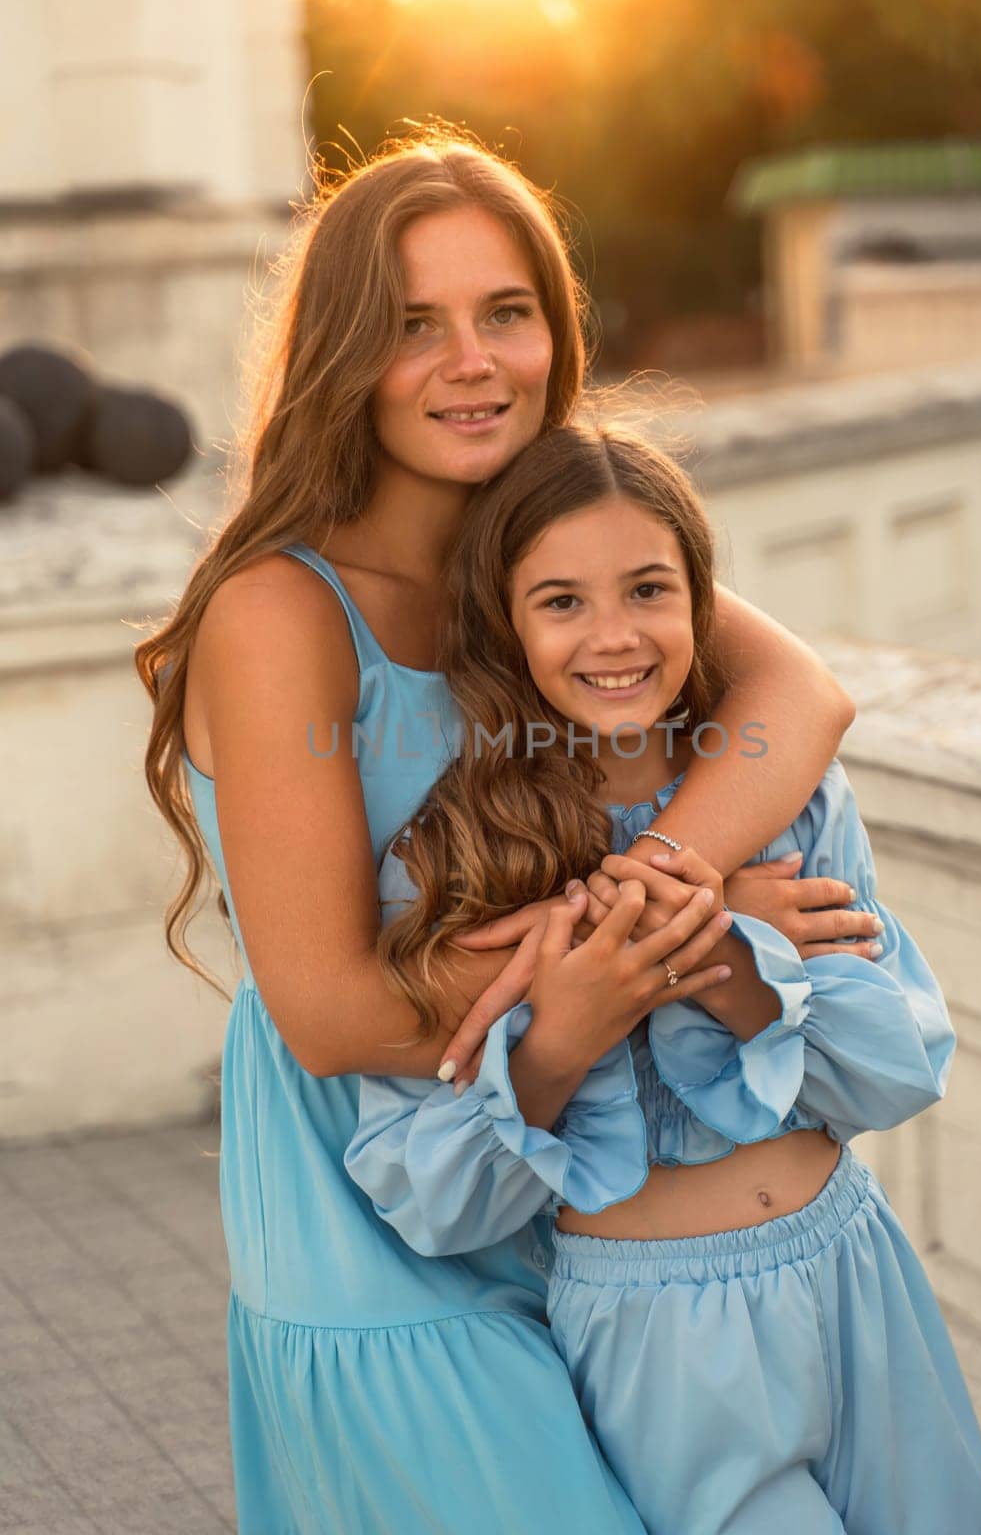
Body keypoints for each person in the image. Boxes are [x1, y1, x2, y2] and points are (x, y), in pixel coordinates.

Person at [136, 129, 861, 1533]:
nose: (473, 360)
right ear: (346, 351)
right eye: (415, 325)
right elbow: (335, 1013)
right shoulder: (280, 614)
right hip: (369, 1227)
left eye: (505, 312)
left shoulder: (538, 551)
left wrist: (659, 893)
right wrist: (681, 946)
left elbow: (798, 696)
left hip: (561, 1181)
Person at [346, 425, 981, 1535]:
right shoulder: (454, 854)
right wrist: (565, 1030)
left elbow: (898, 1065)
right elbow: (426, 1193)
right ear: (501, 623)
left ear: (701, 600)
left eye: (647, 588)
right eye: (559, 600)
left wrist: (721, 959)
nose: (613, 636)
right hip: (660, 1335)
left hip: (854, 1267)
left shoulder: (784, 793)